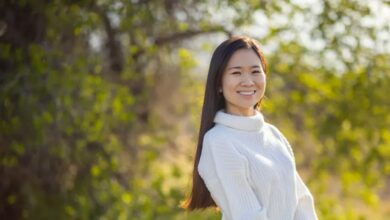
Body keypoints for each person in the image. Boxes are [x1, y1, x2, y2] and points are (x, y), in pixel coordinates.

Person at [183, 36, 318, 220]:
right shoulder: (219, 141)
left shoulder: (273, 135)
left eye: (255, 71)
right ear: (219, 84)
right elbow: (248, 215)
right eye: (236, 73)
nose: (248, 81)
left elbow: (301, 201)